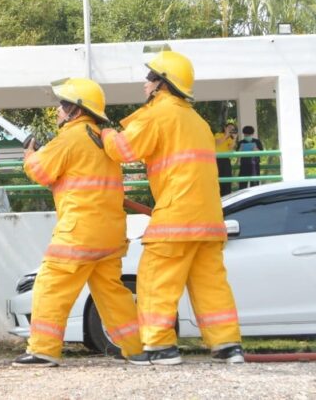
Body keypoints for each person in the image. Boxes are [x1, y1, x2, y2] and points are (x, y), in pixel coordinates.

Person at [99, 48, 245, 366]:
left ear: (162, 84)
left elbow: (124, 149)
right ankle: (227, 345)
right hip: (209, 221)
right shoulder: (199, 122)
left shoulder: (158, 114)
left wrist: (104, 133)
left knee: (156, 280)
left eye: (150, 78)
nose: (145, 84)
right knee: (211, 285)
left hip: (176, 217)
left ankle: (161, 346)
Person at [14, 78, 143, 367]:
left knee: (50, 285)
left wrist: (29, 155)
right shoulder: (102, 139)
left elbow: (40, 171)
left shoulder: (70, 138)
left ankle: (43, 350)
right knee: (112, 293)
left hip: (79, 233)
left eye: (63, 105)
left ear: (76, 110)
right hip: (109, 235)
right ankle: (136, 349)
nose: (58, 111)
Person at [213, 122, 238, 195]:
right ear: (225, 128)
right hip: (217, 160)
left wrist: (234, 138)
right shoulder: (218, 135)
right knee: (218, 180)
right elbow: (217, 143)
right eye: (229, 128)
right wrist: (226, 135)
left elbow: (231, 148)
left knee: (227, 179)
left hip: (226, 160)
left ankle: (227, 196)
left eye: (232, 129)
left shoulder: (230, 138)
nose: (231, 130)